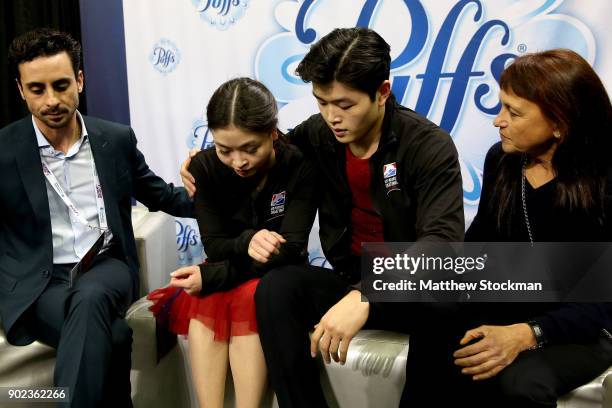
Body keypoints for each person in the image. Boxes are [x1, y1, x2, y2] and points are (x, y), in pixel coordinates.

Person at [181, 27, 465, 407]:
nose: (333, 117)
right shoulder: (317, 136)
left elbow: (442, 244)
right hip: (350, 280)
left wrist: (369, 294)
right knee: (277, 288)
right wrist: (202, 166)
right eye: (321, 103)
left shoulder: (427, 146)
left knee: (444, 305)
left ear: (382, 93)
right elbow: (264, 150)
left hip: (408, 290)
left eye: (345, 105)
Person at [0, 28, 193, 407]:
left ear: (80, 80)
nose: (51, 100)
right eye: (37, 89)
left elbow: (161, 195)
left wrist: (215, 192)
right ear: (21, 91)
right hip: (38, 284)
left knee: (90, 297)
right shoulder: (4, 150)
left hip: (106, 266)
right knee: (115, 335)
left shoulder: (114, 139)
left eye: (61, 85)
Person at [149, 77, 318, 408]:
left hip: (277, 274)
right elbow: (215, 245)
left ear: (272, 132)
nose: (239, 161)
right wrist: (248, 240)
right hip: (228, 265)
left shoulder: (299, 165)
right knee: (206, 299)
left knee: (248, 295)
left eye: (250, 149)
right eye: (225, 150)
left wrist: (214, 273)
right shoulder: (205, 168)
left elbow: (291, 247)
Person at [460, 49, 612, 406]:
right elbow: (478, 250)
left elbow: (603, 301)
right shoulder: (503, 160)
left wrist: (530, 332)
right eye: (501, 107)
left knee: (521, 382)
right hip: (511, 309)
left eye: (513, 112)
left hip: (587, 326)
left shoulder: (604, 183)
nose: (498, 121)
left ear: (560, 122)